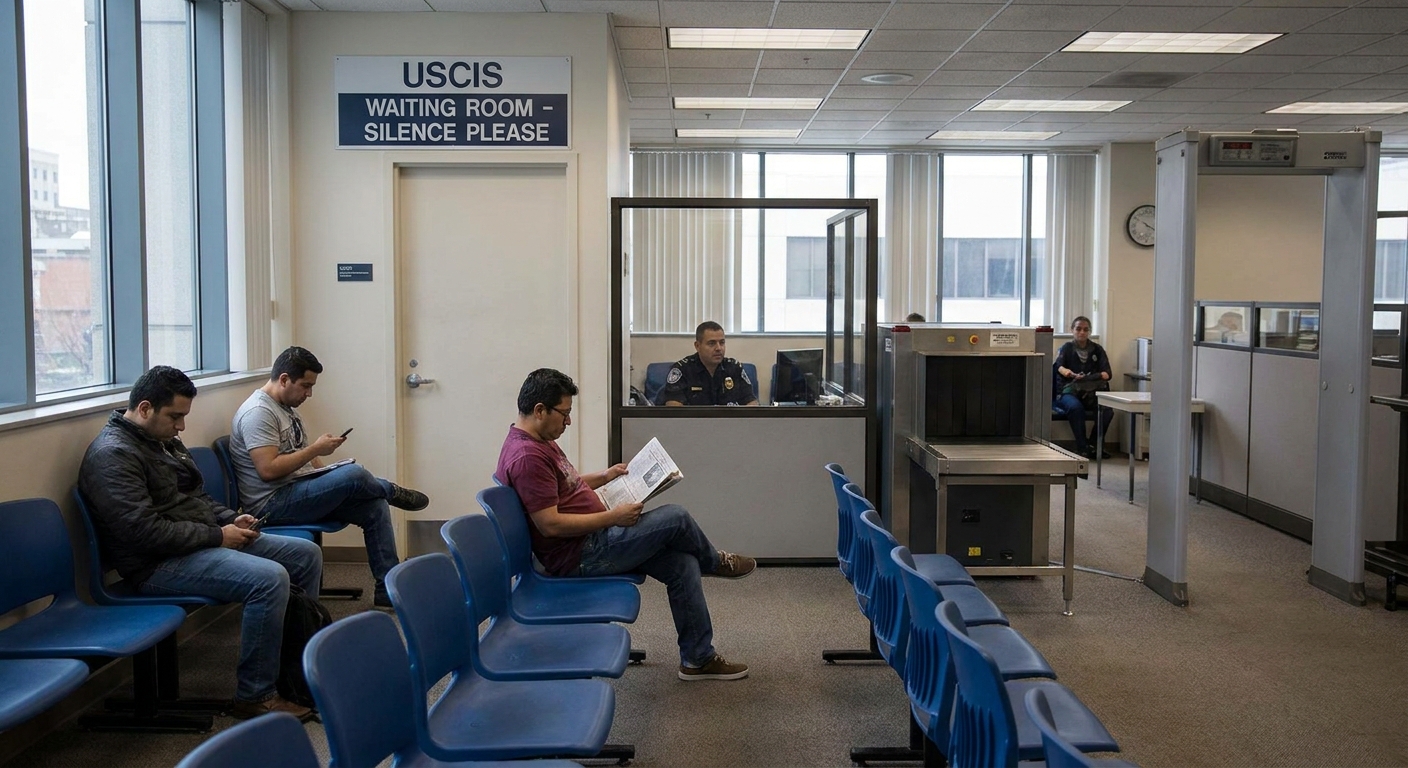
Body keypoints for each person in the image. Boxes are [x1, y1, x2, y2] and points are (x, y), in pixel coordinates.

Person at [77, 366, 324, 720]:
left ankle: (299, 671)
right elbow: (141, 533)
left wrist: (227, 519)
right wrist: (217, 536)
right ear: (145, 408)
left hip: (197, 540)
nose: (181, 427)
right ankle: (255, 695)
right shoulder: (113, 455)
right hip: (154, 564)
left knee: (304, 554)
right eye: (175, 417)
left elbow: (196, 497)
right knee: (269, 580)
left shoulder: (162, 441)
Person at [497, 368, 757, 681]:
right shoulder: (528, 457)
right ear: (540, 410)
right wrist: (614, 517)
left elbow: (565, 484)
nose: (567, 422)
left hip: (593, 538)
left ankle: (698, 659)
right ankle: (715, 562)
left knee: (683, 564)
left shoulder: (538, 440)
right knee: (676, 516)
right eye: (564, 414)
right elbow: (550, 525)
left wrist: (603, 477)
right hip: (581, 553)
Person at [228, 346, 429, 609]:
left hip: (297, 491)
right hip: (271, 504)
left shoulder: (286, 407)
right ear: (285, 379)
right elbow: (268, 470)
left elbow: (301, 457)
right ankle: (389, 490)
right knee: (355, 475)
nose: (309, 393)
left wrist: (326, 472)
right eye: (305, 386)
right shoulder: (258, 413)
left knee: (373, 506)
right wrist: (317, 451)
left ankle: (385, 592)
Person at [1052, 315, 1114, 459]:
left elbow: (1107, 374)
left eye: (1085, 329)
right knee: (1075, 408)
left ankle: (1094, 445)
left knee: (1107, 411)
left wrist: (1088, 378)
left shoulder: (1097, 350)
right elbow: (1059, 367)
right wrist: (1071, 374)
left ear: (1089, 332)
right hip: (1069, 390)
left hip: (1091, 392)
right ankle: (1082, 448)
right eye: (1078, 329)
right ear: (1072, 330)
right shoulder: (1066, 348)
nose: (1082, 332)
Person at [658, 321, 758, 406]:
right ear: (697, 346)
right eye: (712, 343)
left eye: (722, 342)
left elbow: (751, 403)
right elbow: (673, 408)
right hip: (694, 426)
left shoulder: (734, 368)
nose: (718, 348)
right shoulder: (683, 370)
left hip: (730, 426)